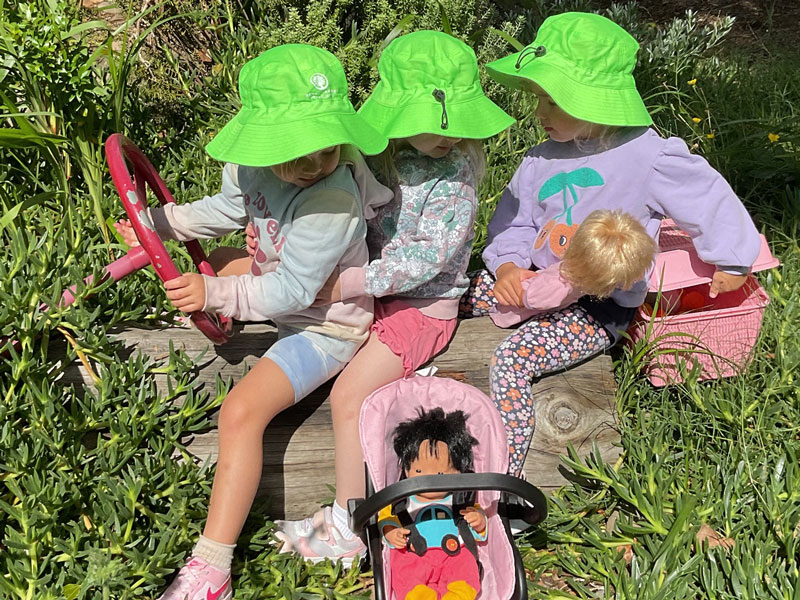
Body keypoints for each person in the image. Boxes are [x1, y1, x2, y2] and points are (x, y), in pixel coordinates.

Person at [115, 44, 391, 600]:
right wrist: (160, 223)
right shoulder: (252, 163)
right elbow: (228, 210)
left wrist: (215, 293)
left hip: (323, 325)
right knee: (207, 264)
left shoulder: (331, 200)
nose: (315, 165)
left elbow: (293, 291)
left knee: (240, 412)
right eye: (295, 153)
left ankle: (211, 566)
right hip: (284, 287)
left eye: (326, 148)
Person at [459, 12, 762, 477]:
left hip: (597, 306)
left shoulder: (648, 156)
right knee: (450, 295)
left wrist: (733, 258)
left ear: (596, 101)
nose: (540, 111)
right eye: (539, 97)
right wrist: (507, 267)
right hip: (535, 279)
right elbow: (514, 221)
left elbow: (707, 196)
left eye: (554, 100)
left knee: (514, 360)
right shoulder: (540, 158)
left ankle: (505, 480)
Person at [271, 30, 514, 563]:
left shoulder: (453, 180)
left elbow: (424, 258)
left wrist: (353, 282)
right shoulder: (387, 155)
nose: (447, 138)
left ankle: (349, 523)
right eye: (430, 126)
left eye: (454, 127)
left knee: (347, 396)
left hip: (422, 308)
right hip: (379, 293)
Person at [378, 407, 487, 600]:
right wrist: (390, 531)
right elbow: (386, 519)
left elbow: (478, 523)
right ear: (406, 469)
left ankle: (457, 596)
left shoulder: (460, 498)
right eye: (419, 472)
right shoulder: (402, 500)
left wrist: (479, 521)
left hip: (455, 552)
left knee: (466, 569)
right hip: (414, 553)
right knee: (404, 571)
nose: (428, 481)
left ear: (459, 472)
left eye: (440, 474)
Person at [489, 209, 658, 328]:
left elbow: (530, 297)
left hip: (514, 307)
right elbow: (530, 299)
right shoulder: (562, 284)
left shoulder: (564, 275)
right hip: (509, 312)